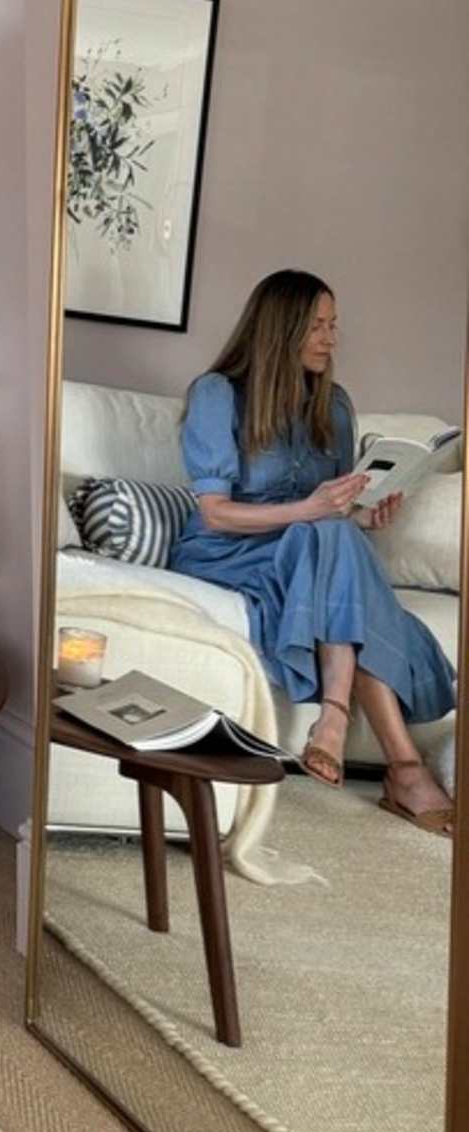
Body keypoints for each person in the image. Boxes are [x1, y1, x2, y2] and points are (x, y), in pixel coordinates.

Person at [169, 268, 456, 834]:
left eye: (333, 325)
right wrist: (312, 511)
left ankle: (346, 728)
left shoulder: (336, 406)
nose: (330, 338)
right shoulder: (217, 393)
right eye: (317, 326)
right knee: (327, 536)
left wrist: (365, 514)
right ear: (281, 329)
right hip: (228, 552)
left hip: (310, 547)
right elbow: (215, 513)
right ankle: (394, 761)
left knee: (334, 534)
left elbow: (333, 512)